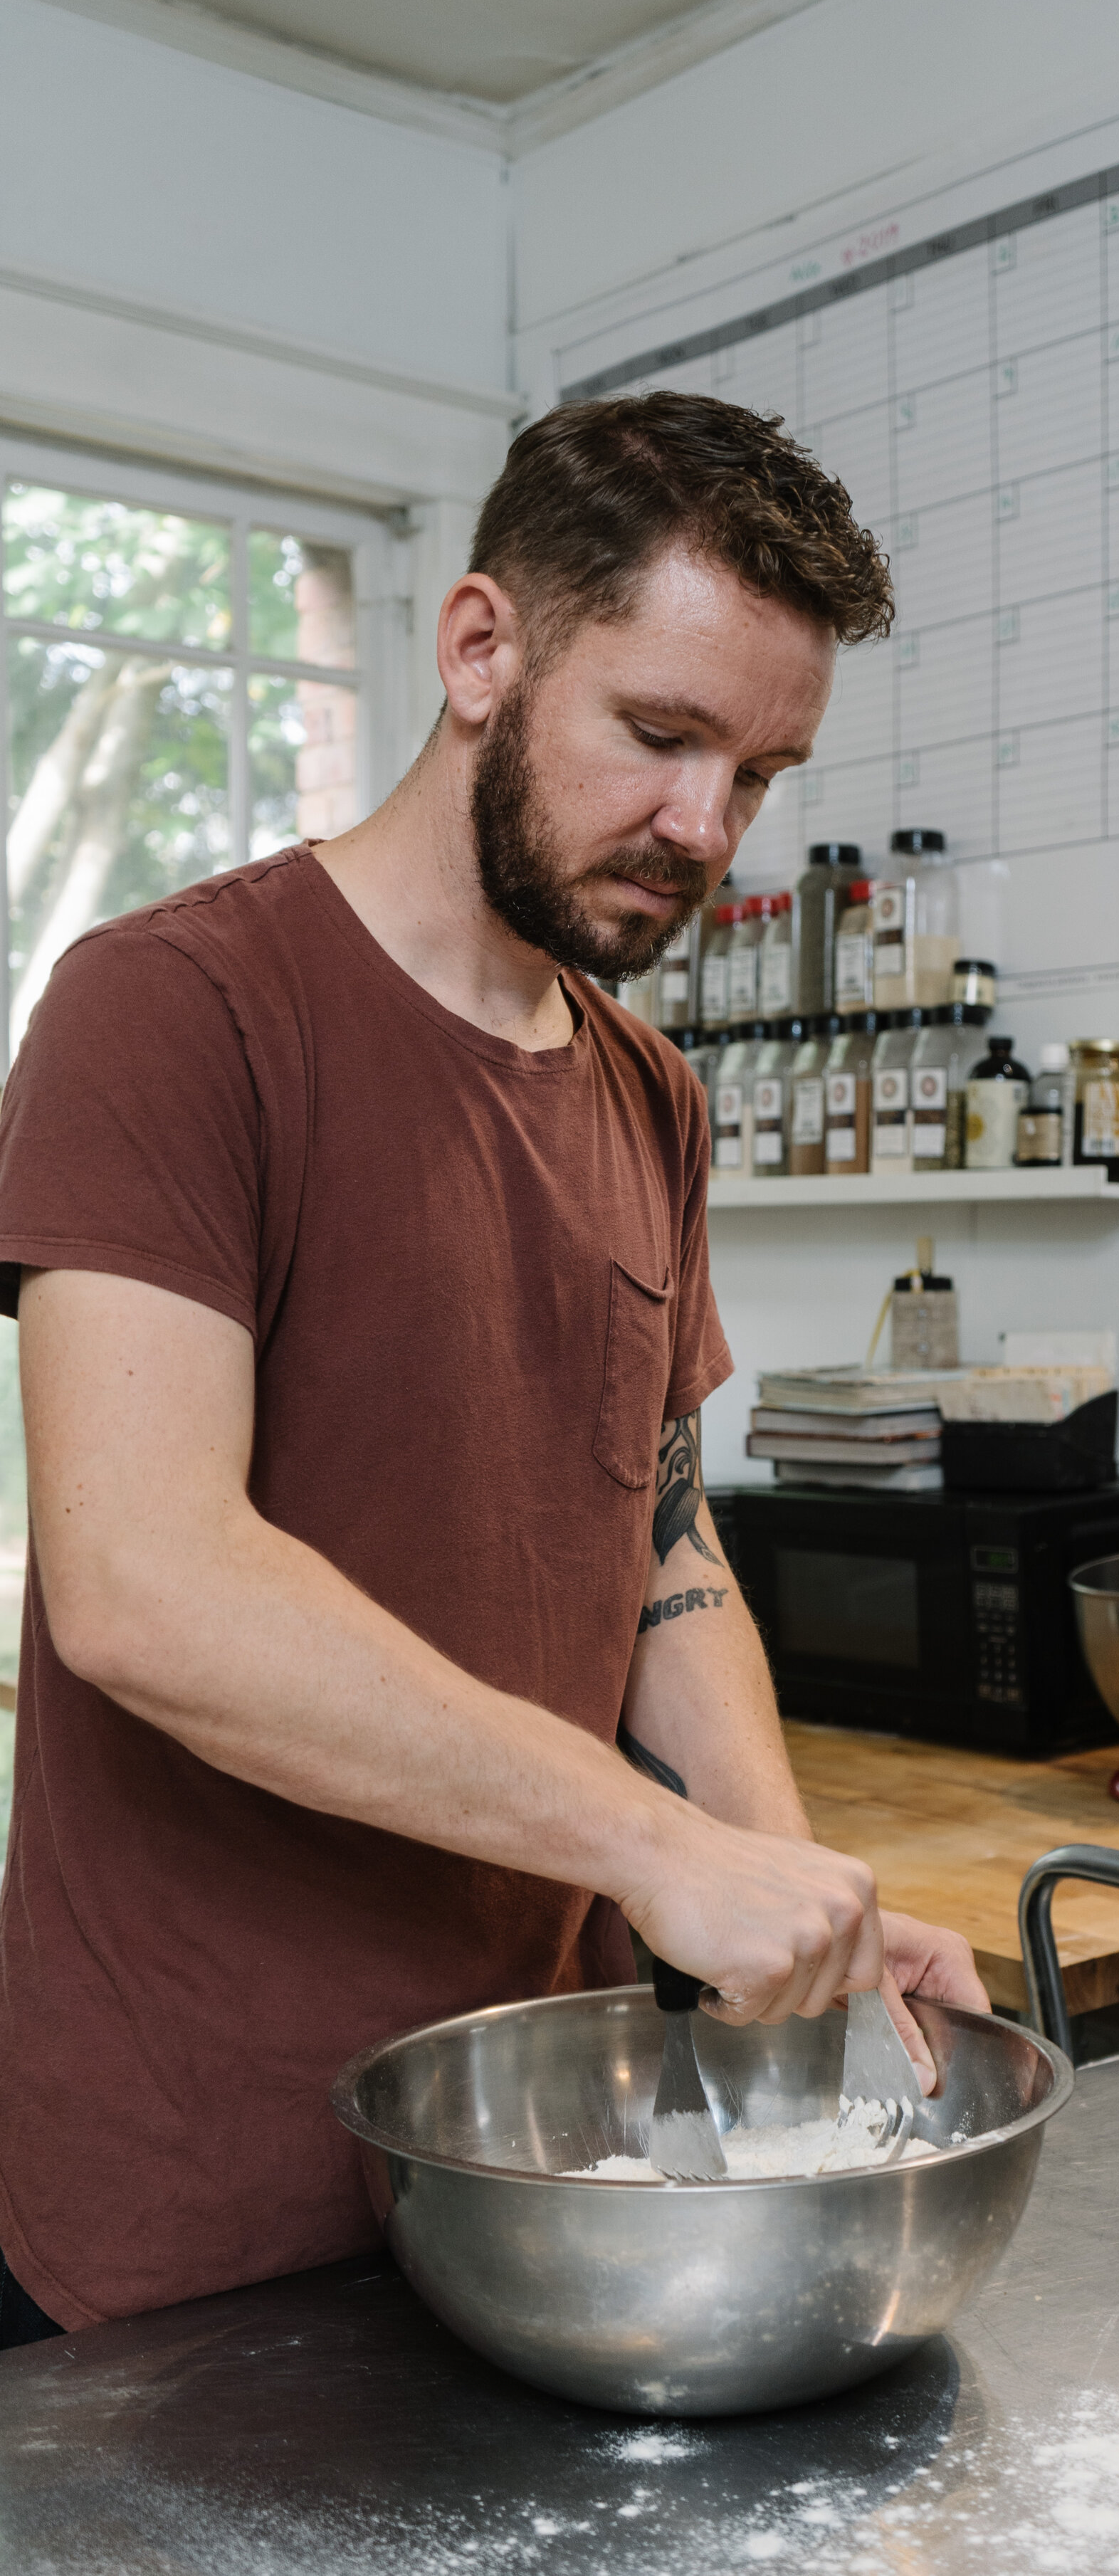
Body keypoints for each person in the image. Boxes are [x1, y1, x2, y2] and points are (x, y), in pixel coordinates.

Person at [0, 392, 987, 2343]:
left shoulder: (648, 1094)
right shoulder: (173, 1012)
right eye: (659, 735)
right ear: (479, 652)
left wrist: (793, 1897)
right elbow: (145, 1589)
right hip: (194, 2199)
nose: (708, 831)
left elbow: (661, 1545)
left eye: (761, 774)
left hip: (543, 2152)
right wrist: (657, 1848)